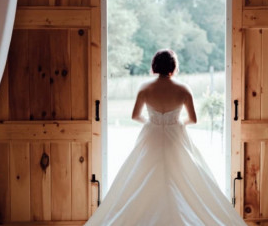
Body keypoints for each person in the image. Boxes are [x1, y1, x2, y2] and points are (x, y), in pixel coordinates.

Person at [85, 49, 246, 226]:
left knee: (142, 174)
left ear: (154, 66)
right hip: (175, 136)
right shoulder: (183, 89)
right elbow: (193, 119)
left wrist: (152, 121)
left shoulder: (145, 88)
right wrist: (176, 123)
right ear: (173, 67)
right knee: (184, 174)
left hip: (151, 135)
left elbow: (134, 116)